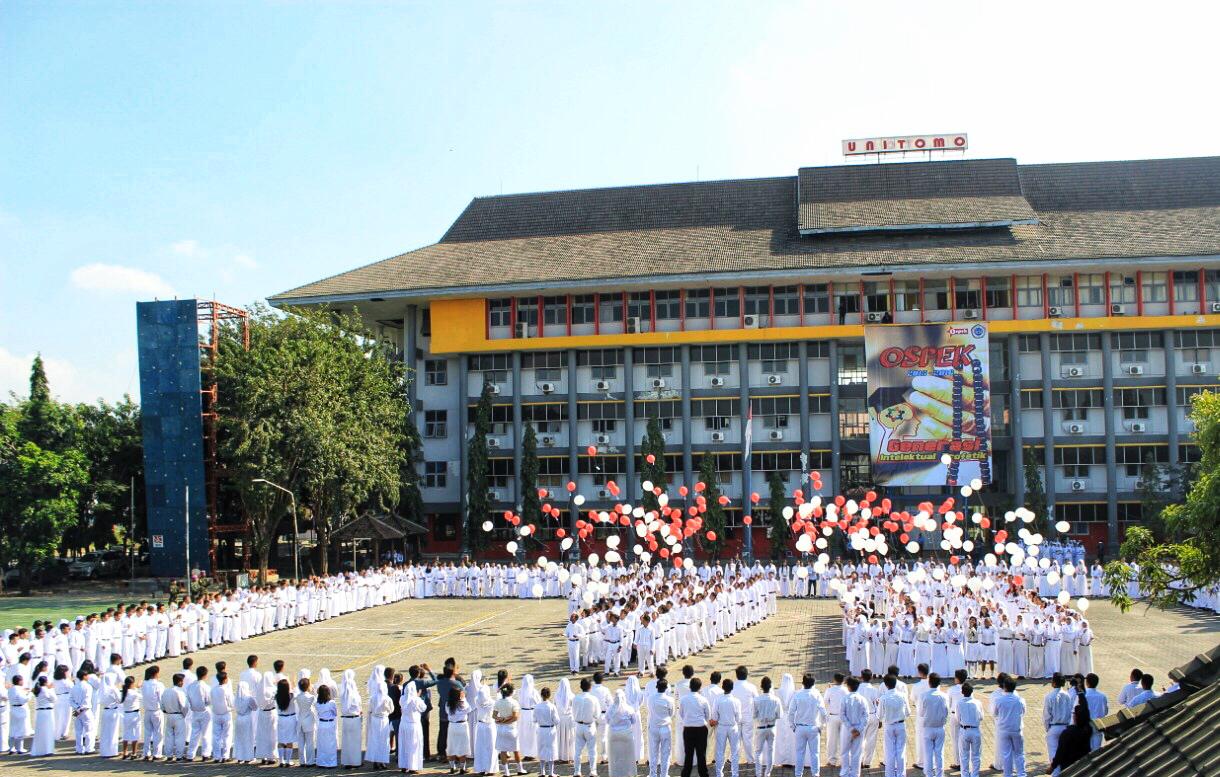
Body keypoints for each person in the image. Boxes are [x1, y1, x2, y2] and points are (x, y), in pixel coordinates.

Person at [786, 673, 825, 777]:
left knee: (799, 753)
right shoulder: (817, 694)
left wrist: (793, 726)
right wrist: (821, 726)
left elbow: (790, 713)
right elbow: (823, 713)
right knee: (815, 754)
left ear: (803, 683)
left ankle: (798, 774)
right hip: (813, 727)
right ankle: (815, 774)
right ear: (814, 683)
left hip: (800, 727)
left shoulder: (797, 695)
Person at [1048, 697, 1094, 775]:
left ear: (1076, 717)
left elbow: (1060, 752)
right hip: (1084, 764)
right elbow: (1085, 708)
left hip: (1069, 766)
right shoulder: (1088, 729)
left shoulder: (1068, 733)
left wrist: (1052, 767)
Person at [992, 677, 1026, 777]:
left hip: (1003, 729)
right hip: (1016, 729)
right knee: (1019, 753)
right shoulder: (1020, 700)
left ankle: (1008, 774)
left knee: (1006, 754)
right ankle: (1021, 774)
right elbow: (1023, 712)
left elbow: (995, 713)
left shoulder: (999, 700)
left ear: (1004, 687)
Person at [679, 677, 712, 777]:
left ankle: (686, 774)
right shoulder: (703, 699)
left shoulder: (684, 699)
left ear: (690, 687)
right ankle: (703, 774)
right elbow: (708, 715)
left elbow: (681, 713)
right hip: (701, 729)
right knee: (701, 754)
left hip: (688, 729)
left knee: (688, 754)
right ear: (699, 687)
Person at [1042, 673, 1074, 774]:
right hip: (1065, 726)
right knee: (1064, 752)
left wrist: (1048, 728)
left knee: (1053, 753)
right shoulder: (1067, 695)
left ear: (1054, 683)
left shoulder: (1049, 696)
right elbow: (1070, 712)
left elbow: (1046, 715)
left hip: (1054, 727)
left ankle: (1056, 774)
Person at [918, 673, 949, 777]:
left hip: (928, 728)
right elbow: (946, 711)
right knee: (939, 753)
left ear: (929, 682)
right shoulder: (944, 696)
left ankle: (929, 774)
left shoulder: (924, 696)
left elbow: (921, 713)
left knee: (928, 753)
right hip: (940, 728)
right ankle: (940, 774)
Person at [877, 675, 908, 777]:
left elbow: (879, 715)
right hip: (901, 725)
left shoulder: (883, 698)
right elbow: (908, 712)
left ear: (886, 685)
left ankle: (890, 775)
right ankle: (901, 774)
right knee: (901, 751)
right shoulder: (902, 696)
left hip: (889, 726)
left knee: (890, 751)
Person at [493, 682, 525, 777]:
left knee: (503, 751)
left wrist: (500, 720)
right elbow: (515, 717)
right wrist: (506, 721)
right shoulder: (514, 702)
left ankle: (506, 772)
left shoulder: (498, 702)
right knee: (516, 750)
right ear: (511, 692)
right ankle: (520, 769)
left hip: (501, 730)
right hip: (511, 729)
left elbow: (494, 716)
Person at [750, 677, 780, 777]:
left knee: (758, 752)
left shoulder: (756, 699)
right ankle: (767, 773)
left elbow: (753, 715)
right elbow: (779, 715)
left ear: (761, 687)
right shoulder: (776, 699)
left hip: (760, 727)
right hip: (772, 727)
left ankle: (758, 774)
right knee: (771, 751)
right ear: (771, 686)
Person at [839, 676, 868, 777]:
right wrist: (859, 729)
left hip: (847, 729)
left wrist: (851, 729)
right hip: (859, 730)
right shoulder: (863, 699)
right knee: (857, 752)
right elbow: (866, 716)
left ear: (848, 687)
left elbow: (842, 715)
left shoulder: (845, 699)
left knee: (844, 751)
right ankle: (855, 773)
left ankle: (845, 772)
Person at [647, 678, 675, 777]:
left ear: (656, 687)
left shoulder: (650, 698)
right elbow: (672, 713)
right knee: (665, 753)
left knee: (653, 752)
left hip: (654, 727)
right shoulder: (669, 700)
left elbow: (649, 710)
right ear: (666, 688)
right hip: (665, 727)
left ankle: (653, 774)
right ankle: (664, 774)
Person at [607, 689, 639, 777]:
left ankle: (616, 774)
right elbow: (634, 721)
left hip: (613, 735)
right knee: (628, 755)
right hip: (626, 734)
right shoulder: (629, 708)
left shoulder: (610, 708)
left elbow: (607, 720)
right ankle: (629, 773)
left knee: (615, 756)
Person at [955, 683, 983, 777]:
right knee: (976, 756)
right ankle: (975, 775)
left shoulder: (959, 703)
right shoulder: (978, 702)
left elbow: (958, 718)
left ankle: (965, 775)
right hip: (975, 730)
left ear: (962, 692)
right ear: (972, 691)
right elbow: (981, 717)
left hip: (964, 730)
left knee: (964, 756)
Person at [399, 682, 427, 773]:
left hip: (403, 725)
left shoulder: (402, 698)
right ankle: (413, 766)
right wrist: (418, 697)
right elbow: (423, 708)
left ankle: (404, 765)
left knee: (404, 745)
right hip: (414, 725)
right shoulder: (416, 700)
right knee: (414, 746)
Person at [161, 672, 189, 761]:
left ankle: (169, 755)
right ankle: (179, 756)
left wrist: (166, 711)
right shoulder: (179, 692)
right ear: (180, 682)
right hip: (178, 715)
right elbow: (184, 706)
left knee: (169, 736)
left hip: (169, 715)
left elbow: (162, 705)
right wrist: (183, 715)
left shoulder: (166, 691)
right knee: (180, 736)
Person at [340, 669, 364, 769]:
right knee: (355, 742)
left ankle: (347, 761)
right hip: (355, 719)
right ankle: (355, 762)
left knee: (346, 742)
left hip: (345, 720)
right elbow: (359, 708)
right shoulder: (355, 696)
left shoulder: (343, 694)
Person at [209, 670, 234, 762]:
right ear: (225, 679)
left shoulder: (213, 689)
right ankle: (225, 756)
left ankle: (216, 756)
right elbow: (232, 703)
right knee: (227, 736)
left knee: (216, 736)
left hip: (216, 714)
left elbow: (211, 701)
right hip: (226, 714)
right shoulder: (226, 690)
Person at [141, 666, 164, 760]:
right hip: (156, 711)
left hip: (147, 712)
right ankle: (157, 754)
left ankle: (146, 753)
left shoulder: (144, 684)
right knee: (158, 733)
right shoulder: (158, 685)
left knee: (147, 734)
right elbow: (161, 699)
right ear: (155, 674)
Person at [823, 673, 845, 768]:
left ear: (834, 680)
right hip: (844, 717)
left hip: (833, 716)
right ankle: (843, 761)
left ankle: (832, 761)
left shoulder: (830, 690)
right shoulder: (846, 690)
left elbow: (824, 702)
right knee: (843, 739)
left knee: (832, 740)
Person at [31, 675, 57, 756]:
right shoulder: (46, 690)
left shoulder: (38, 690)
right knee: (48, 731)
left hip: (40, 712)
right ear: (45, 682)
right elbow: (54, 699)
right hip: (47, 712)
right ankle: (48, 750)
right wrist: (51, 689)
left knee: (40, 731)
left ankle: (40, 750)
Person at [524, 687, 547, 777]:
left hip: (525, 714)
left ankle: (527, 753)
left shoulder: (521, 690)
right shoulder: (533, 691)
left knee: (526, 735)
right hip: (533, 712)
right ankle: (532, 753)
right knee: (532, 735)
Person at [276, 678, 299, 767]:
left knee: (281, 740)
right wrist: (293, 685)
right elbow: (297, 693)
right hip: (290, 719)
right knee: (289, 741)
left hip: (281, 719)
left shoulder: (277, 696)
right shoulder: (292, 695)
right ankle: (288, 761)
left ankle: (281, 761)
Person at [98, 673, 122, 757]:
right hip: (113, 711)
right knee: (113, 732)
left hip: (105, 711)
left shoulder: (102, 689)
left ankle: (105, 751)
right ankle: (112, 751)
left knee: (105, 732)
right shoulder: (113, 689)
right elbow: (120, 700)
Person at [315, 684, 339, 768]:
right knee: (331, 744)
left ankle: (322, 762)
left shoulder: (317, 703)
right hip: (329, 723)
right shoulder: (331, 703)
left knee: (322, 744)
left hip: (321, 724)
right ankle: (331, 762)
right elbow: (335, 713)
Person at [234, 680, 258, 763]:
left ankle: (239, 757)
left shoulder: (236, 698)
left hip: (238, 719)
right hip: (247, 718)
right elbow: (255, 707)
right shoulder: (249, 698)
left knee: (239, 738)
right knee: (248, 738)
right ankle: (248, 757)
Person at [1082, 674, 1108, 750]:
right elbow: (1106, 711)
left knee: (1085, 749)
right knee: (1096, 750)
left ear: (1087, 683)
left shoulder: (1083, 695)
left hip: (1086, 724)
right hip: (1098, 724)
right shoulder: (1102, 696)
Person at [297, 675, 319, 767]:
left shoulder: (298, 696)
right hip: (309, 721)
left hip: (300, 720)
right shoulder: (311, 697)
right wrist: (314, 692)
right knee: (310, 742)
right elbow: (316, 705)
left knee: (301, 742)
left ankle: (302, 761)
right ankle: (310, 761)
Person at [9, 675, 33, 755]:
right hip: (20, 710)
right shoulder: (18, 689)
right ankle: (20, 748)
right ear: (19, 681)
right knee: (20, 729)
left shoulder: (11, 689)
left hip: (13, 709)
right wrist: (30, 694)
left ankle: (12, 748)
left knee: (13, 729)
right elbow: (24, 700)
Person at [120, 675, 142, 759]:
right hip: (134, 714)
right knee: (135, 734)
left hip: (126, 714)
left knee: (126, 734)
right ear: (132, 683)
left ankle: (125, 752)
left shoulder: (123, 692)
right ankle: (134, 753)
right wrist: (139, 688)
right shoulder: (134, 693)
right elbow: (141, 697)